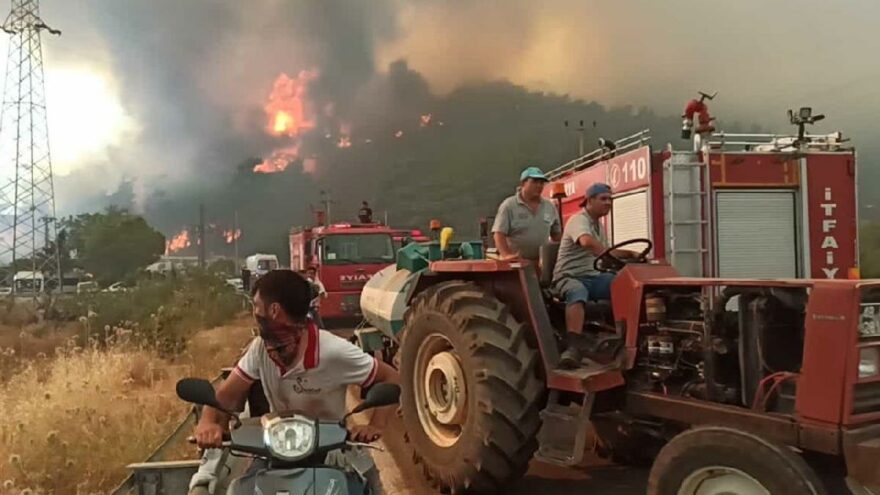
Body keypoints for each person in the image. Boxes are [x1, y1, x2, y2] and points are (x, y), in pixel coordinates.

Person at [192, 269, 398, 492]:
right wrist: (207, 422)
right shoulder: (260, 349)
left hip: (331, 450)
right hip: (277, 448)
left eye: (256, 306)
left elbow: (391, 378)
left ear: (274, 310)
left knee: (370, 488)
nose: (254, 312)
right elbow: (226, 395)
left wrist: (376, 424)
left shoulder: (333, 351)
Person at [552, 182, 639, 368]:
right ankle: (573, 347)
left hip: (593, 276)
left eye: (610, 199)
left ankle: (626, 339)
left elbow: (607, 252)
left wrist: (631, 255)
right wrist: (610, 255)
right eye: (603, 199)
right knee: (577, 291)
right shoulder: (579, 220)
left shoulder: (599, 226)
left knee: (624, 286)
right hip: (569, 276)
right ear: (590, 201)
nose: (608, 203)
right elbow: (587, 242)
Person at [491, 166, 562, 269]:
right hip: (517, 264)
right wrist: (506, 255)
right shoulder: (509, 205)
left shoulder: (550, 207)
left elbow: (557, 235)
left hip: (543, 264)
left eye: (542, 183)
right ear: (523, 183)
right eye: (535, 181)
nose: (539, 185)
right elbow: (498, 234)